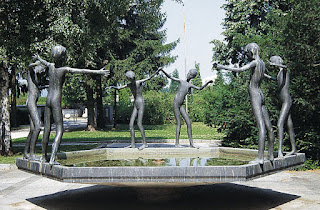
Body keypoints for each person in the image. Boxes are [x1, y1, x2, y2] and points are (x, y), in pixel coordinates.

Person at [34, 45, 109, 165]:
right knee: (60, 129)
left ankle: (43, 157)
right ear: (62, 57)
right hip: (55, 100)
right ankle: (52, 158)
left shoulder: (51, 66)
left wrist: (38, 57)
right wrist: (98, 72)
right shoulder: (63, 69)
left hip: (48, 99)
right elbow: (82, 71)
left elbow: (44, 61)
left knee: (47, 129)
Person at [216, 43, 275, 164]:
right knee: (269, 127)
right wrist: (276, 78)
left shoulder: (254, 63)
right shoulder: (262, 63)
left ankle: (260, 158)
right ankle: (270, 155)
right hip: (261, 94)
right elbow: (265, 75)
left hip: (255, 94)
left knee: (261, 126)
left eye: (247, 52)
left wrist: (223, 67)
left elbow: (239, 69)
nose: (247, 55)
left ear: (251, 52)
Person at [107, 69, 160, 150]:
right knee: (131, 124)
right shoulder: (129, 85)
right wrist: (112, 87)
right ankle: (132, 144)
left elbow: (149, 78)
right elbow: (119, 88)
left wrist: (157, 71)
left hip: (141, 103)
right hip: (136, 103)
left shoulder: (138, 83)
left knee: (139, 123)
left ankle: (145, 143)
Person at [160, 68, 213, 148]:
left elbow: (199, 88)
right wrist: (162, 70)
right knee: (179, 123)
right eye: (189, 73)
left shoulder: (189, 85)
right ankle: (177, 144)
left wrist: (207, 82)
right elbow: (170, 77)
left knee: (188, 123)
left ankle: (191, 144)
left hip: (181, 105)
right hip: (175, 104)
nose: (189, 75)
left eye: (191, 75)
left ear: (193, 77)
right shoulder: (181, 81)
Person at [269, 55, 296, 157]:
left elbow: (285, 67)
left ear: (277, 61)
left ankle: (280, 150)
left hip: (286, 101)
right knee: (289, 125)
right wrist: (265, 75)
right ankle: (294, 149)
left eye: (273, 62)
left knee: (280, 124)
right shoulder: (279, 73)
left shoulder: (284, 71)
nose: (273, 65)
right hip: (283, 101)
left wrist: (276, 63)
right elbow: (275, 79)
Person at [23, 61, 48, 160]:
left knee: (33, 129)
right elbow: (28, 66)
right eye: (42, 69)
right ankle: (32, 154)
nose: (42, 72)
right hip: (31, 102)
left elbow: (36, 88)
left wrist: (46, 87)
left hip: (33, 102)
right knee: (38, 127)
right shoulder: (31, 73)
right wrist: (36, 63)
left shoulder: (36, 78)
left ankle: (25, 153)